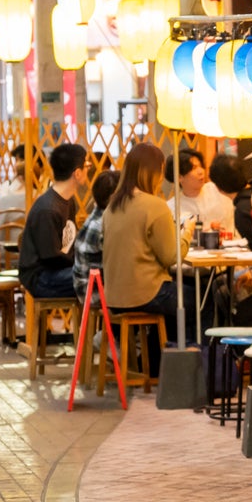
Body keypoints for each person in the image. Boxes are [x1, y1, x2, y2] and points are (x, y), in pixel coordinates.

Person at [101, 144, 182, 371]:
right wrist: (185, 236)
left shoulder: (113, 206)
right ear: (152, 172)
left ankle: (155, 367)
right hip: (145, 293)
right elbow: (170, 256)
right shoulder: (154, 205)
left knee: (176, 299)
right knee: (196, 302)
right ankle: (184, 371)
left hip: (114, 295)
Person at [22, 143, 90, 299]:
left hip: (59, 271)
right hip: (41, 277)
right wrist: (82, 265)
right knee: (99, 279)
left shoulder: (67, 201)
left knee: (105, 276)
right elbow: (50, 257)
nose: (89, 169)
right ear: (77, 173)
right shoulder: (48, 209)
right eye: (87, 165)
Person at [74, 169, 120, 297]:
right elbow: (121, 261)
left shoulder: (98, 216)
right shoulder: (103, 225)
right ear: (113, 197)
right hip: (95, 293)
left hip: (87, 287)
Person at [172, 147, 233, 228]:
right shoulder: (173, 206)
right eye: (194, 168)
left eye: (201, 166)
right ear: (180, 177)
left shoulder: (219, 189)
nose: (201, 171)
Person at [0, 145, 30, 219]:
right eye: (16, 161)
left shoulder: (42, 187)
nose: (16, 164)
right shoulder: (8, 185)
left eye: (20, 160)